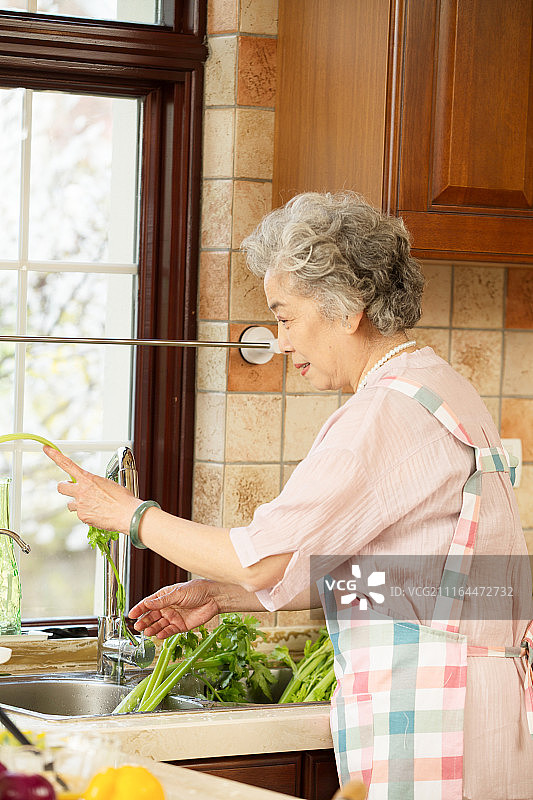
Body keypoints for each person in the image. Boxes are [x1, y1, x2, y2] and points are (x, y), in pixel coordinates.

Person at [44, 192, 533, 800]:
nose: (279, 342)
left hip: (433, 723)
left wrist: (131, 515)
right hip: (472, 713)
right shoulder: (439, 387)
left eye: (285, 315)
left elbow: (266, 556)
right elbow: (425, 584)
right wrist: (223, 597)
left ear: (348, 308)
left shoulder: (384, 413)